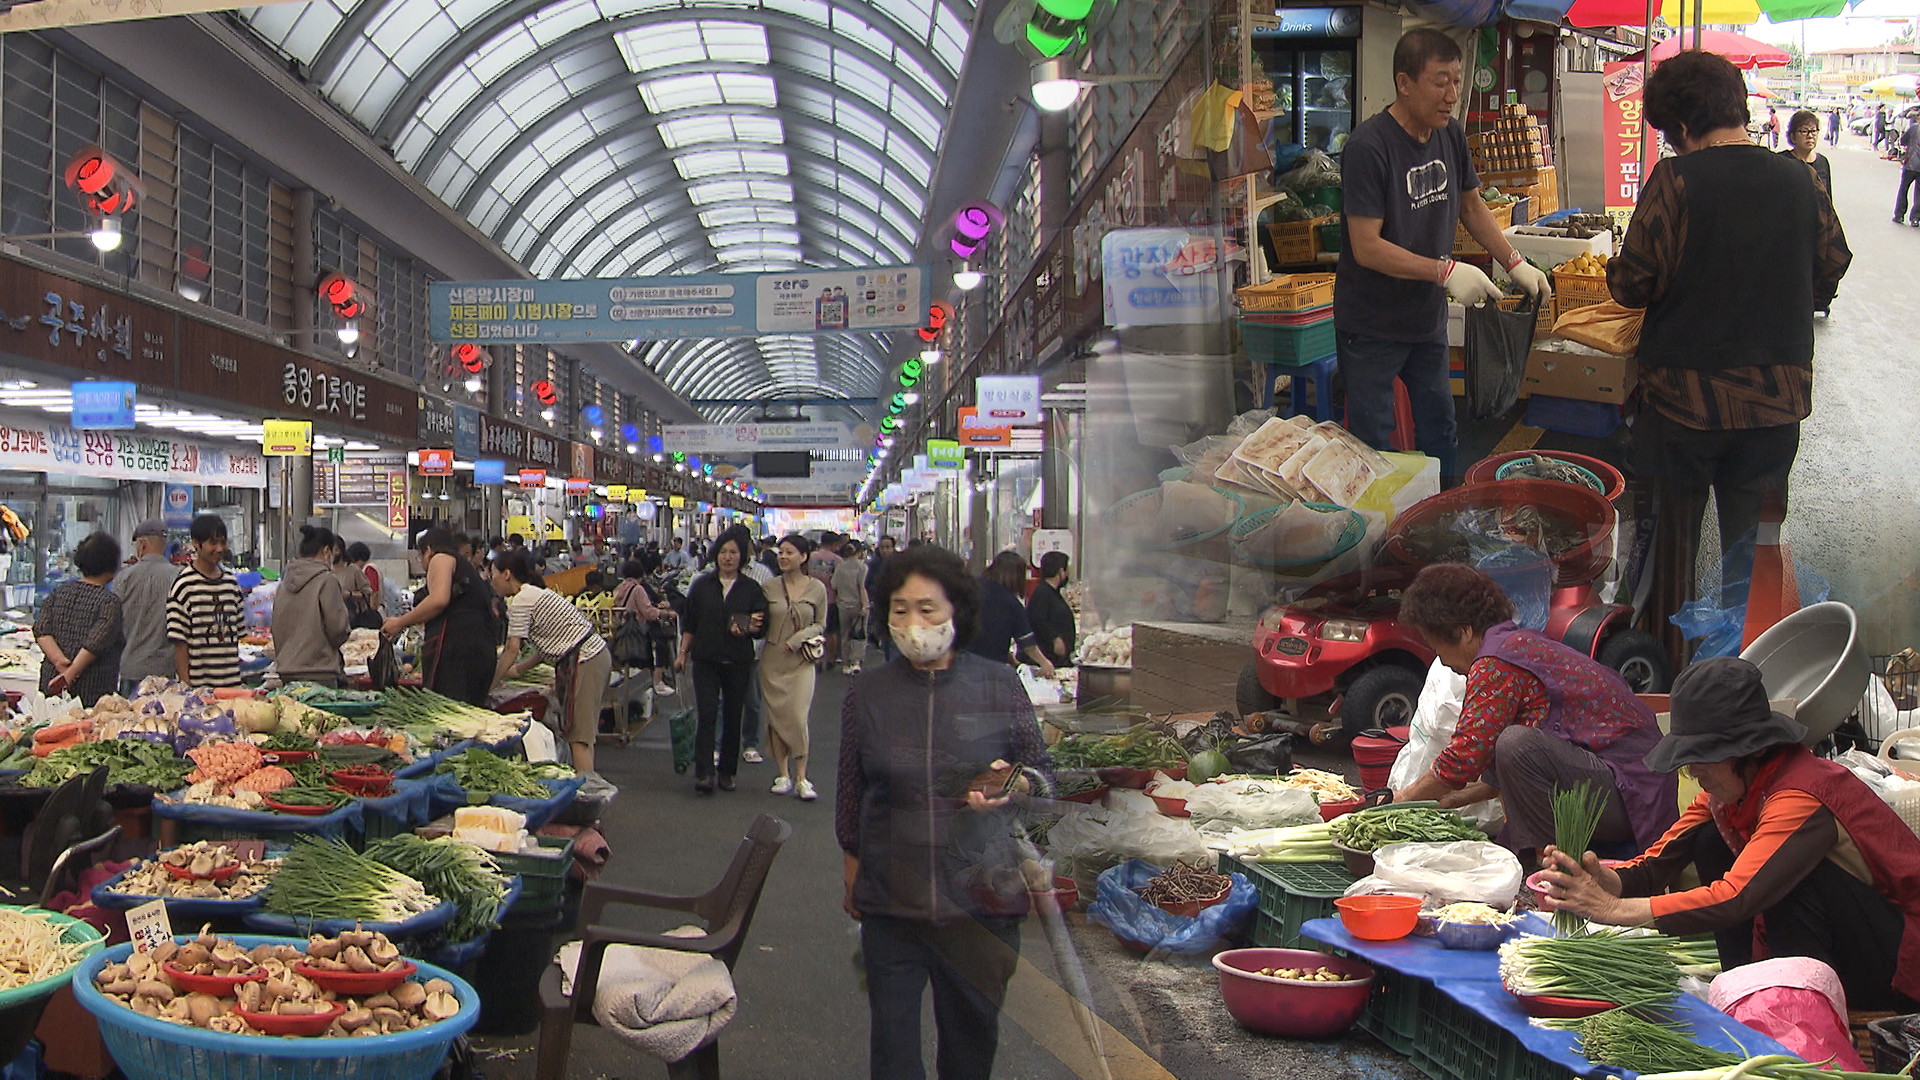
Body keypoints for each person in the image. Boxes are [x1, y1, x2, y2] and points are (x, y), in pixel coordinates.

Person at [1610, 52, 1850, 646]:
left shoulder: (1677, 181)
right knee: (1755, 553)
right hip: (1775, 407)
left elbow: (1631, 283)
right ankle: (1752, 677)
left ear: (1684, 127)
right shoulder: (1802, 178)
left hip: (1682, 408)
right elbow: (1833, 263)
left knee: (1673, 554)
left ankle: (1670, 678)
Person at [1538, 657, 1920, 1010]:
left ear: (1746, 750)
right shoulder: (1728, 794)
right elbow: (1660, 860)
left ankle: (1801, 1009)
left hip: (1900, 960)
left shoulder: (1801, 794)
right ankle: (1747, 989)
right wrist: (1607, 881)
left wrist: (1612, 911)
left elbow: (1736, 897)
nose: (1693, 773)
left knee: (1790, 879)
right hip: (1848, 944)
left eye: (1700, 759)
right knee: (1707, 840)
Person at [835, 543, 1052, 1080]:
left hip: (981, 905)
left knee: (970, 1053)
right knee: (893, 1056)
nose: (913, 623)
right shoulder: (868, 693)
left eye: (927, 608)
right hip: (893, 904)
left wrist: (1015, 782)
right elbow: (850, 792)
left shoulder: (1000, 685)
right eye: (900, 609)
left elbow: (1044, 782)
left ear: (956, 608)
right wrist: (854, 873)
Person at [1334, 28, 1551, 479]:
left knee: (1440, 429)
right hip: (1371, 325)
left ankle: (1445, 517)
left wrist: (1514, 262)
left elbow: (1472, 205)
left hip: (1424, 321)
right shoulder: (1368, 147)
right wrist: (1444, 270)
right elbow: (1366, 247)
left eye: (1456, 80)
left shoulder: (1449, 135)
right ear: (1404, 82)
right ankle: (1382, 540)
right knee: (1374, 442)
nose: (1452, 94)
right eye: (1440, 81)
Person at [1389, 564, 1678, 859]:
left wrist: (1397, 800)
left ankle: (1542, 862)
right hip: (1632, 788)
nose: (1443, 661)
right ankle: (1537, 857)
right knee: (1510, 744)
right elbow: (1501, 768)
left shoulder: (1495, 663)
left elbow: (1462, 761)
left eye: (1438, 648)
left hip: (1632, 796)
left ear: (1463, 632)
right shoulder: (1514, 645)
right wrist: (1453, 799)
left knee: (1515, 742)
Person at [489, 549, 612, 774]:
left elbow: (511, 648)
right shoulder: (531, 594)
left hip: (586, 659)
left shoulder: (522, 600)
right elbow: (548, 647)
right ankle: (586, 786)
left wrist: (490, 683)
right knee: (582, 735)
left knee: (579, 738)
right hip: (592, 657)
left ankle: (586, 793)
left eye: (493, 574)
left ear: (507, 574)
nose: (492, 580)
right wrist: (519, 670)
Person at [675, 525, 767, 793]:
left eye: (734, 552)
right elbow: (689, 623)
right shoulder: (702, 585)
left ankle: (727, 771)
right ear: (715, 555)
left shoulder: (751, 588)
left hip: (739, 661)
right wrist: (682, 654)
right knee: (707, 714)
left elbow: (762, 623)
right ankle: (703, 772)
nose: (728, 557)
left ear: (742, 556)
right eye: (723, 552)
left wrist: (748, 626)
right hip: (705, 660)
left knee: (733, 715)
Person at [383, 529, 500, 705]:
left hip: (460, 655)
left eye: (420, 557)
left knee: (454, 712)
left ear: (428, 551)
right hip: (479, 650)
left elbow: (438, 599)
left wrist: (400, 623)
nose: (422, 564)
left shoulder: (441, 558)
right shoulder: (464, 568)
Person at [759, 534, 827, 801]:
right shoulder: (769, 588)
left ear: (804, 557)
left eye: (789, 552)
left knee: (797, 717)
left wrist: (798, 639)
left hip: (801, 661)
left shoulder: (817, 589)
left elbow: (821, 624)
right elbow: (760, 620)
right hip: (773, 660)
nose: (783, 557)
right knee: (776, 718)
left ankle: (802, 776)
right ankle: (783, 774)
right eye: (781, 552)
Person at [35, 532, 123, 705]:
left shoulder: (58, 592)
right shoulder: (109, 601)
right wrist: (70, 673)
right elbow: (96, 642)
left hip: (51, 687)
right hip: (91, 691)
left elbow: (41, 629)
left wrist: (59, 662)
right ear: (111, 566)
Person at [167, 514, 245, 687]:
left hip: (232, 686)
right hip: (200, 691)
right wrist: (185, 687)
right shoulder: (184, 586)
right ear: (196, 543)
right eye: (213, 542)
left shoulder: (231, 584)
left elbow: (237, 635)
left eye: (223, 542)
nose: (219, 549)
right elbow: (180, 644)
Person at [271, 525, 351, 687]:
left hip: (286, 671)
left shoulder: (284, 583)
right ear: (327, 551)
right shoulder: (327, 580)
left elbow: (276, 625)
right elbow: (338, 628)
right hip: (319, 671)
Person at [113, 518, 179, 694]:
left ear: (142, 544)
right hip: (165, 671)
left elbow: (112, 622)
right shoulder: (179, 578)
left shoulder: (124, 578)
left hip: (131, 667)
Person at [968, 551, 1055, 676]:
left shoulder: (971, 589)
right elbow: (1028, 644)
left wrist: (1012, 661)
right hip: (991, 671)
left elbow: (987, 635)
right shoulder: (1011, 603)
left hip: (962, 664)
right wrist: (1045, 663)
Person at [612, 559, 674, 696]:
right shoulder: (638, 589)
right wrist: (664, 613)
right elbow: (649, 613)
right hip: (638, 630)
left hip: (623, 630)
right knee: (662, 642)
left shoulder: (620, 587)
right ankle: (658, 681)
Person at [738, 541, 774, 764]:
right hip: (722, 647)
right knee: (722, 701)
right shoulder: (719, 575)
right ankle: (718, 745)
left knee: (752, 700)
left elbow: (766, 611)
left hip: (752, 648)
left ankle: (750, 743)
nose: (731, 556)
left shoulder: (763, 574)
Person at [1026, 551, 1076, 670]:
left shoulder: (1053, 593)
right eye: (1066, 570)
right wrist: (1054, 639)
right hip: (1048, 661)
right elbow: (1037, 619)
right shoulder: (1042, 593)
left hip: (1057, 661)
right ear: (1060, 572)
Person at [832, 539, 869, 674]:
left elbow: (833, 584)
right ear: (859, 552)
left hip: (843, 605)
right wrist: (865, 606)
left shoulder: (840, 567)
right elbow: (862, 587)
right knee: (859, 634)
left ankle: (846, 662)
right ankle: (856, 661)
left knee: (845, 634)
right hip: (858, 605)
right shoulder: (862, 567)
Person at [1780, 109, 1832, 194]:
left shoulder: (1823, 162)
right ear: (1793, 137)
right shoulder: (1782, 161)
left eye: (1813, 131)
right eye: (1804, 131)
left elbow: (1827, 198)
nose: (1810, 136)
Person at [333, 541, 381, 629]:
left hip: (354, 620)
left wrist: (350, 594)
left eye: (335, 550)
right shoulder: (325, 571)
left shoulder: (354, 570)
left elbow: (369, 593)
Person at [867, 536, 895, 662]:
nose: (885, 550)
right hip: (880, 606)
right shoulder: (873, 564)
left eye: (888, 547)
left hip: (896, 606)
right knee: (885, 637)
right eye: (882, 547)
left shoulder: (899, 564)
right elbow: (867, 583)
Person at [1895, 115, 1920, 228]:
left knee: (1904, 189)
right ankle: (1915, 218)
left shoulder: (1914, 127)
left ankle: (1899, 214)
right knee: (1919, 193)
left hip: (1910, 164)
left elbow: (1903, 141)